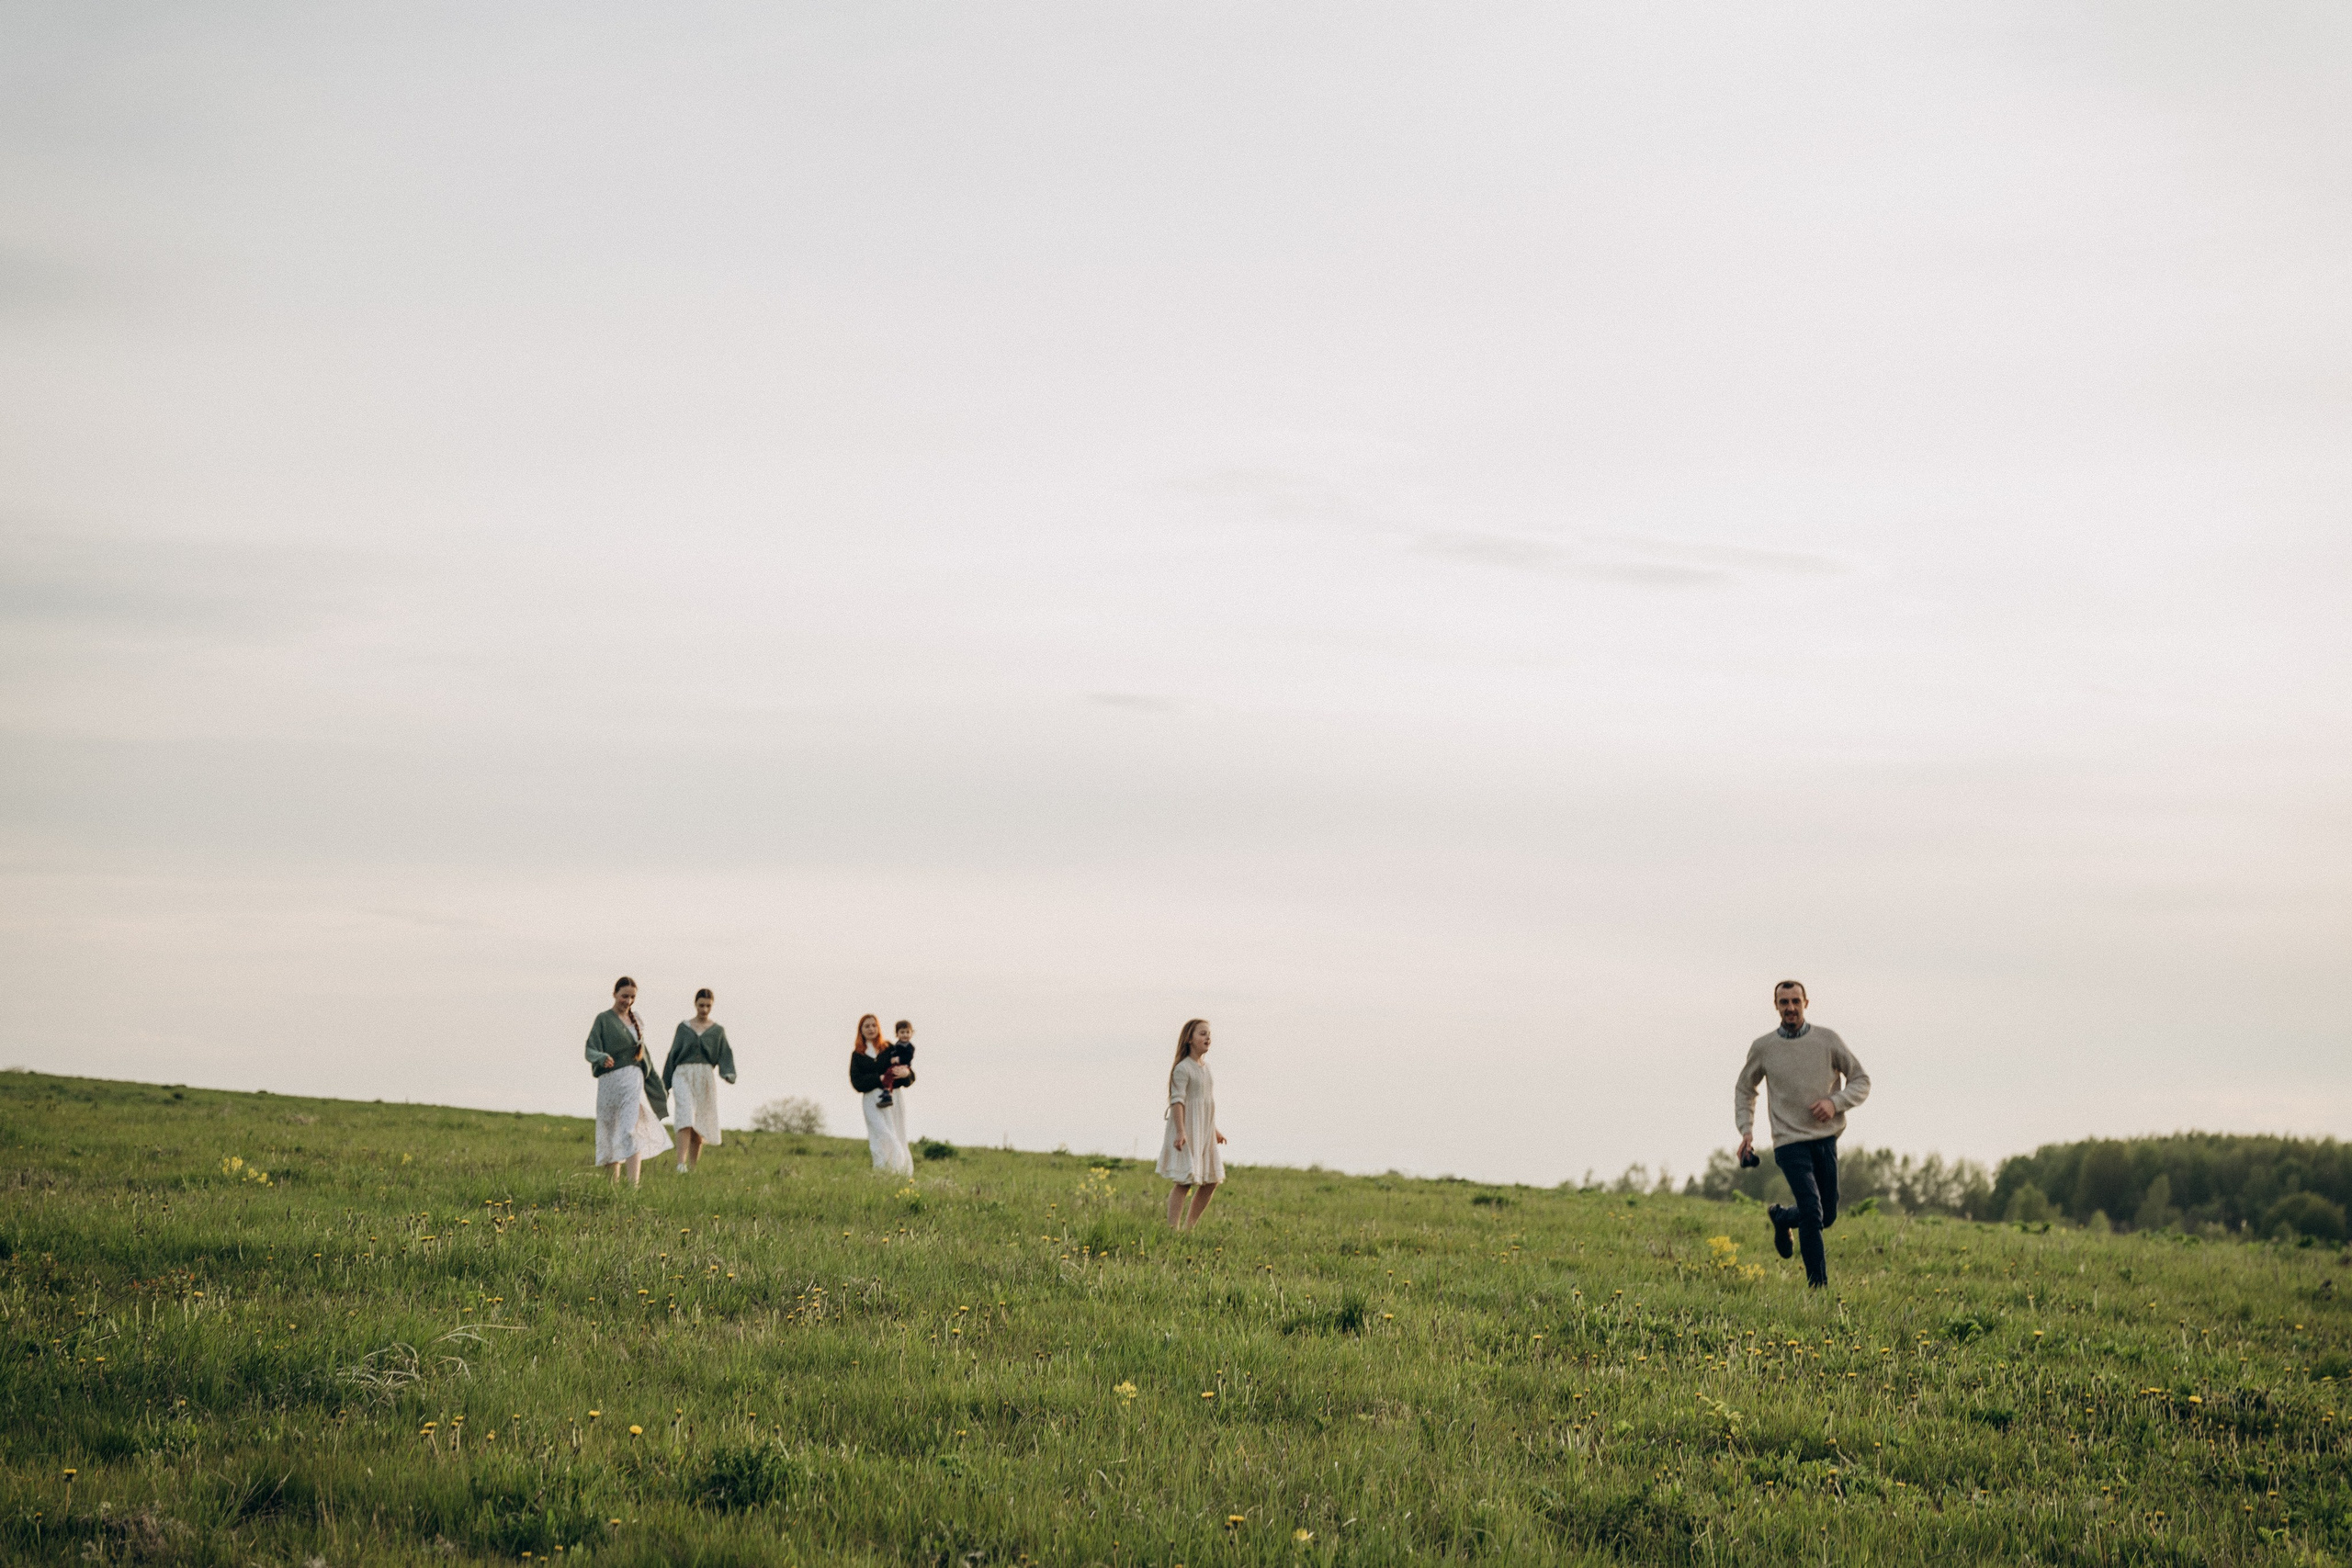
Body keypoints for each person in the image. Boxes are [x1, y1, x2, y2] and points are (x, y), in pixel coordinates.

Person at [1733, 980, 1871, 1288]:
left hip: (1824, 1139)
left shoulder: (1828, 1040)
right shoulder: (1764, 1047)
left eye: (1796, 1001)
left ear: (1806, 1003)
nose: (1790, 1008)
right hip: (1788, 1141)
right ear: (1776, 1006)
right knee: (1811, 1209)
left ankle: (1782, 1218)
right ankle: (1818, 1289)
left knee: (1827, 1215)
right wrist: (1746, 1130)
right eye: (1784, 1003)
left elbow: (1861, 1080)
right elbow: (1745, 1089)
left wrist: (1835, 1103)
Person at [586, 976, 673, 1187]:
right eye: (624, 996)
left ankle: (633, 1186)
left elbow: (645, 1058)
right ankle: (611, 1187)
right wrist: (601, 1057)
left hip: (631, 1080)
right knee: (608, 1130)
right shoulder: (603, 1020)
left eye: (632, 997)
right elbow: (590, 1048)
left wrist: (658, 1089)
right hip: (608, 1082)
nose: (628, 1001)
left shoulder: (637, 1022)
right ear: (614, 994)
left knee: (629, 1130)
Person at [1156, 1018, 1226, 1229]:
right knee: (1185, 1181)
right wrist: (1180, 1132)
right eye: (1202, 1034)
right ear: (1189, 1039)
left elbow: (1206, 1105)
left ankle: (1189, 1227)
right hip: (1188, 1131)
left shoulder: (1206, 1069)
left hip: (1204, 1132)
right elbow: (1178, 1101)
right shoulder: (1182, 1068)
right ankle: (1172, 1228)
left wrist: (1214, 1130)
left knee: (1212, 1180)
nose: (1208, 1038)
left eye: (1208, 1034)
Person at [662, 987, 737, 1174]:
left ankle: (693, 1168)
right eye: (701, 1005)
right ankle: (681, 1164)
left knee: (700, 1121)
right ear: (695, 1004)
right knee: (685, 1115)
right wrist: (665, 1083)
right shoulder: (683, 1027)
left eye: (708, 1006)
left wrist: (728, 1073)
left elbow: (725, 1054)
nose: (704, 1009)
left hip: (704, 1076)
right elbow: (673, 1054)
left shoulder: (717, 1031)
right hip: (683, 1074)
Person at [848, 1013, 913, 1175]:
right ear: (861, 1030)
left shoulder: (890, 1048)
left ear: (878, 1028)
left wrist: (906, 1074)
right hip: (872, 1100)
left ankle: (902, 1172)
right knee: (881, 1135)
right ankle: (882, 1172)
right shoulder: (858, 1054)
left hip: (893, 1098)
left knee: (898, 1133)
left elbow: (908, 1076)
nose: (871, 1029)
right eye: (867, 1026)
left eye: (873, 1025)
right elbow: (857, 1082)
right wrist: (879, 1078)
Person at [874, 1019, 916, 1109]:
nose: (905, 1035)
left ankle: (887, 1092)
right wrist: (893, 1057)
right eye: (902, 1032)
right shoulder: (897, 1045)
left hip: (903, 1065)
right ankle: (887, 1092)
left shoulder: (909, 1046)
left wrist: (905, 1070)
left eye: (907, 1032)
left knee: (889, 1073)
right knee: (889, 1074)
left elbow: (909, 1057)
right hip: (896, 1064)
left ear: (912, 1033)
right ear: (897, 1034)